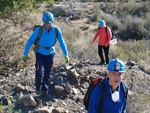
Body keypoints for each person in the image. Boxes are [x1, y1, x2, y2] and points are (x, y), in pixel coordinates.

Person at [23, 12, 70, 96]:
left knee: (48, 72)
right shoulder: (39, 30)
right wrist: (25, 53)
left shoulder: (56, 30)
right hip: (40, 53)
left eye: (50, 22)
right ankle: (37, 86)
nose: (48, 24)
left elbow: (62, 42)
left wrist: (66, 54)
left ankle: (45, 89)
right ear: (43, 21)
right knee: (39, 71)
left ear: (52, 21)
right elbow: (30, 41)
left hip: (50, 53)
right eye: (46, 22)